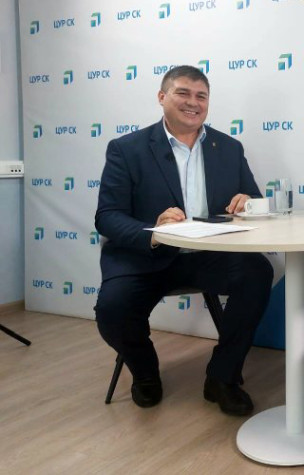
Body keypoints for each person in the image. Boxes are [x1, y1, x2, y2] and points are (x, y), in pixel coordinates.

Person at [94, 65, 273, 416]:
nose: (193, 102)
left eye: (201, 96)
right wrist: (154, 230)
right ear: (162, 97)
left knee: (257, 272)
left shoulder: (229, 147)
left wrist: (247, 202)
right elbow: (108, 216)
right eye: (183, 93)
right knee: (113, 310)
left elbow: (253, 198)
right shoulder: (126, 149)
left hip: (208, 255)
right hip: (146, 255)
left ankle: (222, 377)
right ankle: (145, 372)